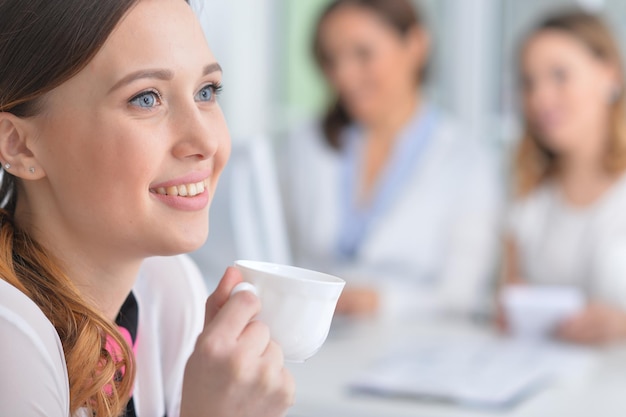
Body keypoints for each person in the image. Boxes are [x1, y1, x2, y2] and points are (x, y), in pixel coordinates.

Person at [0, 0, 294, 416]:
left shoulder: (168, 291)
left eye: (206, 92)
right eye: (146, 98)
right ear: (19, 144)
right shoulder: (8, 337)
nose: (205, 141)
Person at [281, 0, 503, 318]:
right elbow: (279, 253)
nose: (343, 76)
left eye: (363, 54)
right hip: (313, 337)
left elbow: (464, 294)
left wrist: (382, 300)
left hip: (415, 345)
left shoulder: (467, 160)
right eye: (332, 59)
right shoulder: (306, 145)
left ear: (415, 45)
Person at [503, 10, 626, 344]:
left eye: (560, 75)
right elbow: (505, 303)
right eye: (529, 82)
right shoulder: (529, 197)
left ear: (608, 74)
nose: (540, 99)